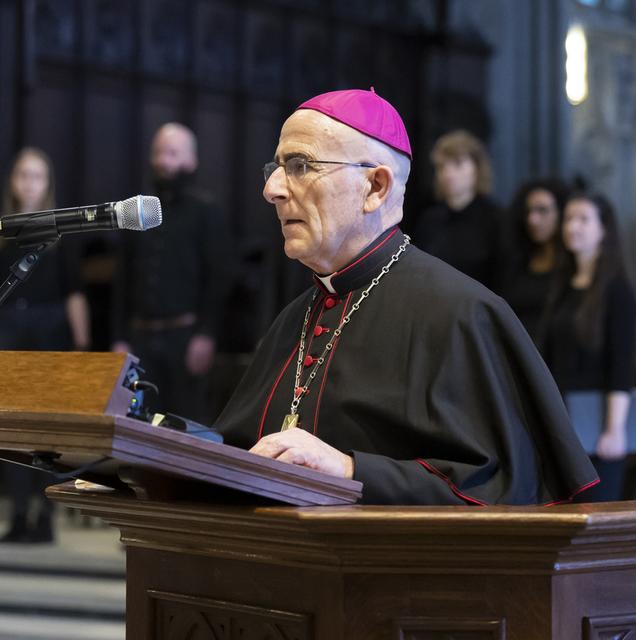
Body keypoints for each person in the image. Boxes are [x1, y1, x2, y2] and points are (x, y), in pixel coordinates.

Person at [215, 88, 597, 505]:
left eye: (301, 165)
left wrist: (349, 470)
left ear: (375, 187)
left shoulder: (461, 313)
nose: (272, 189)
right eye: (276, 167)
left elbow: (501, 491)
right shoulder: (293, 320)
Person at [111, 123, 232, 423]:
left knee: (183, 425)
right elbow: (122, 279)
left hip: (184, 337)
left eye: (173, 153)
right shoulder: (135, 210)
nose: (163, 161)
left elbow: (218, 276)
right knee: (133, 424)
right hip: (139, 337)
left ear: (191, 160)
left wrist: (206, 334)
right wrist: (119, 338)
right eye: (159, 153)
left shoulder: (205, 211)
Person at [0, 147, 90, 543]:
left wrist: (82, 345)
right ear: (13, 182)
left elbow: (75, 294)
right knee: (12, 428)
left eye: (37, 175)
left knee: (48, 433)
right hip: (10, 331)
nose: (29, 183)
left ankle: (46, 517)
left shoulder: (61, 231)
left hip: (51, 332)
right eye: (23, 175)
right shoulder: (4, 231)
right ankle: (18, 513)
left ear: (47, 183)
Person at [538, 191, 636, 502]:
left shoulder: (618, 290)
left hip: (598, 428)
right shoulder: (562, 284)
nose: (572, 227)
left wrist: (614, 429)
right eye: (569, 219)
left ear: (603, 229)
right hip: (564, 425)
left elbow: (621, 365)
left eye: (583, 219)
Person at [411, 130, 503, 291]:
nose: (448, 174)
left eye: (458, 164)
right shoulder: (429, 220)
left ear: (477, 168)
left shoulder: (497, 220)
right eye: (441, 166)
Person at [501, 178, 569, 338]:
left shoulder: (572, 267)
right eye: (528, 211)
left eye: (543, 210)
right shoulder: (517, 262)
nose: (533, 220)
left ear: (562, 213)